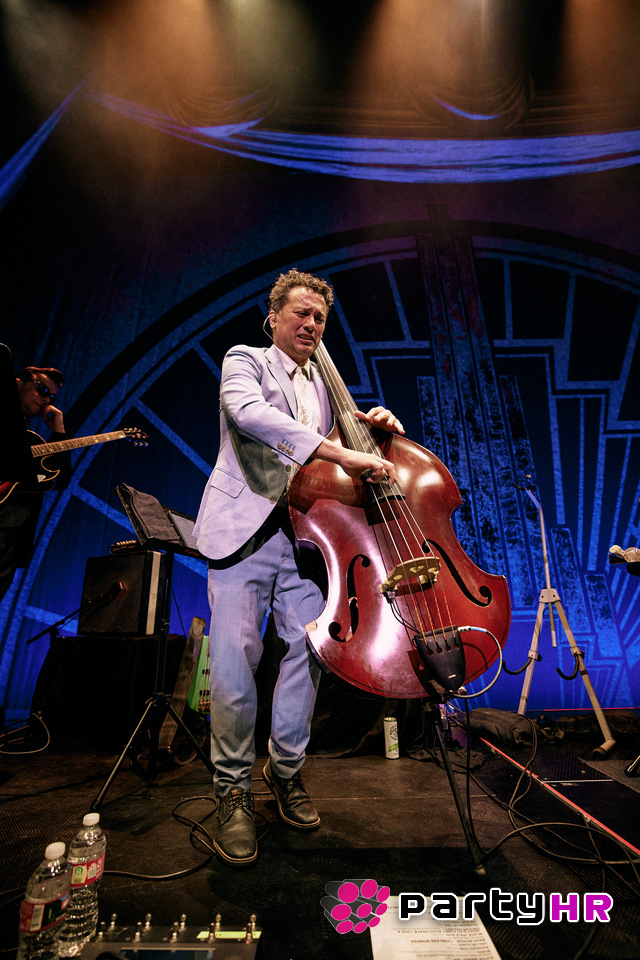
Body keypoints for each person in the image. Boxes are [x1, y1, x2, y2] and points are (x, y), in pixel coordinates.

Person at [194, 269, 405, 865]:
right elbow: (251, 415)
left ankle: (285, 772)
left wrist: (368, 427)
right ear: (274, 318)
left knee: (306, 659)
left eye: (320, 318)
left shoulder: (322, 383)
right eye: (301, 313)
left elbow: (337, 444)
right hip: (241, 533)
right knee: (234, 662)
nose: (311, 324)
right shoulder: (246, 360)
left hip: (306, 541)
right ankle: (232, 788)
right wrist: (339, 449)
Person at [0, 366, 69, 603]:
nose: (46, 400)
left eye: (52, 397)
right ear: (18, 384)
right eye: (42, 390)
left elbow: (60, 479)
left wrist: (58, 431)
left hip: (9, 539)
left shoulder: (31, 441)